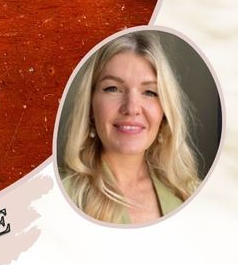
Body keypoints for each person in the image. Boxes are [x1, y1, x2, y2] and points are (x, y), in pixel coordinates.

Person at [61, 32, 200, 224]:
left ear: (165, 114)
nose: (132, 108)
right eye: (113, 88)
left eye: (150, 92)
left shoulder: (192, 192)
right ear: (90, 106)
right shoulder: (58, 199)